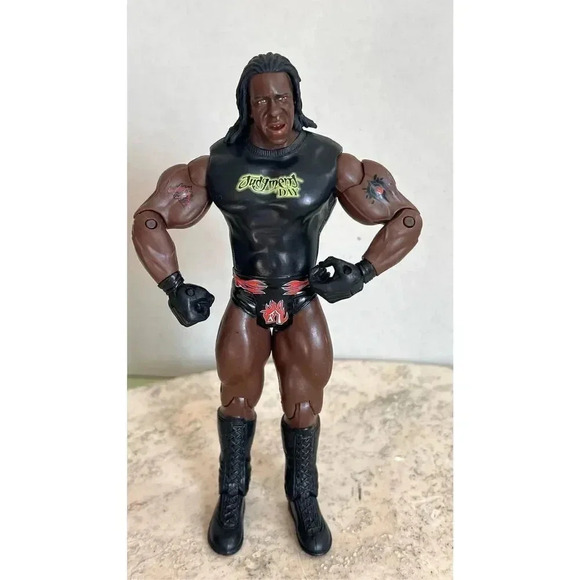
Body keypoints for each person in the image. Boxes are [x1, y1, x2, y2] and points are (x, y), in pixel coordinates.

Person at [132, 52, 422, 557]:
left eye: (282, 98)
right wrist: (173, 285)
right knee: (236, 401)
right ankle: (232, 495)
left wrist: (362, 272)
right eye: (262, 99)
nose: (274, 110)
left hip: (301, 298)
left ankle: (303, 496)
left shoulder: (331, 162)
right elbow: (149, 218)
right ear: (246, 104)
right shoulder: (217, 165)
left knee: (304, 404)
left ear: (297, 99)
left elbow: (406, 217)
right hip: (246, 298)